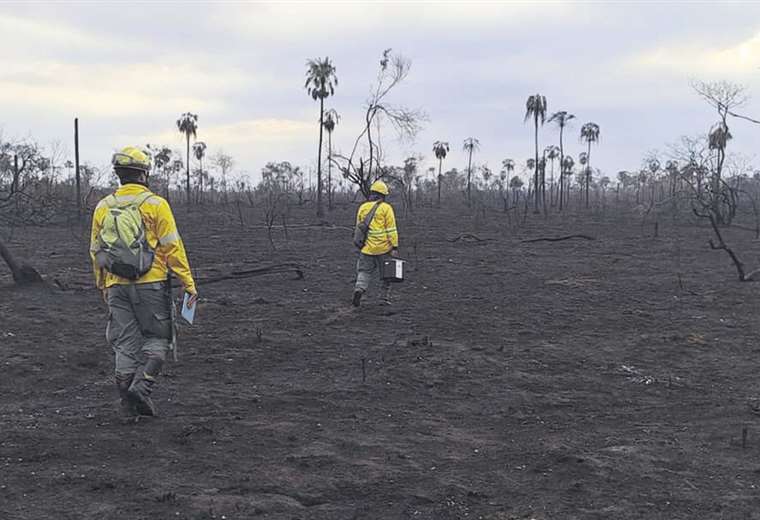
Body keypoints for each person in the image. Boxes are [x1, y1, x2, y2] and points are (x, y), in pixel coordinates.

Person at [90, 146, 197, 417]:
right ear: (143, 174)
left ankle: (128, 406)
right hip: (153, 284)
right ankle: (143, 386)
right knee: (158, 338)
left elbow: (96, 251)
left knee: (124, 343)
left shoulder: (103, 207)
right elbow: (173, 246)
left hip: (116, 286)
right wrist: (188, 283)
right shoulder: (155, 204)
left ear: (119, 175)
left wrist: (103, 284)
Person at [352, 180, 399, 307]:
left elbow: (359, 228)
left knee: (364, 272)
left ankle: (359, 290)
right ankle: (384, 298)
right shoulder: (386, 208)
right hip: (384, 248)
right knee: (388, 274)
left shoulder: (362, 207)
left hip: (367, 249)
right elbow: (391, 229)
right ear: (383, 195)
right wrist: (394, 246)